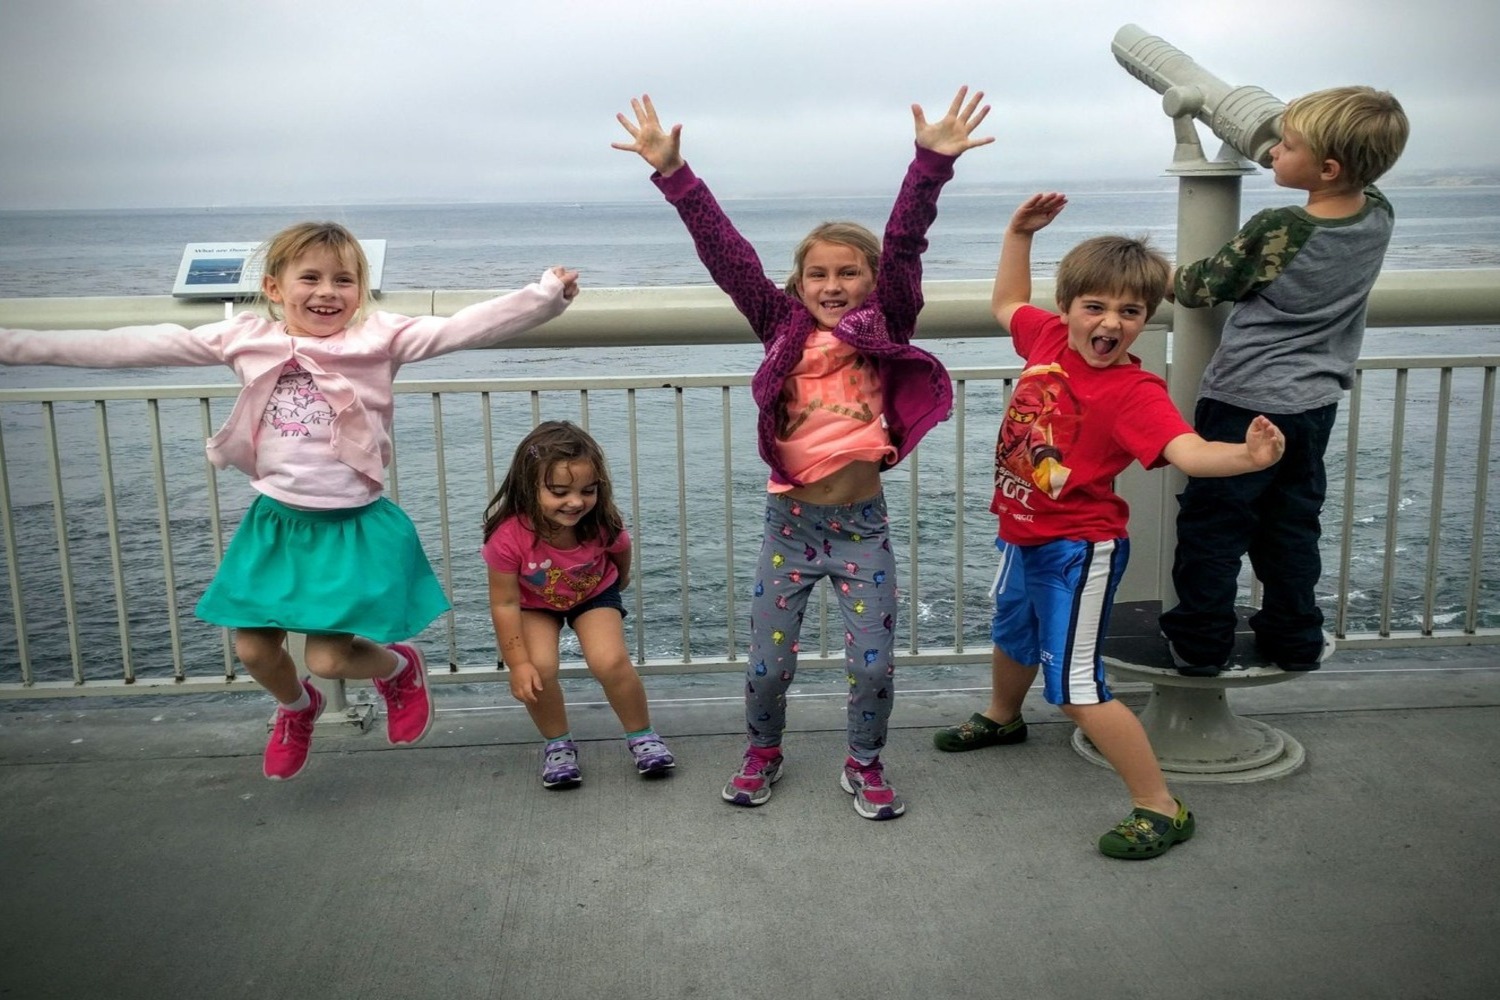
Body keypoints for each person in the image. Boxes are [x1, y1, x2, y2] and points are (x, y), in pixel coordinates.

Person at [0, 221, 578, 780]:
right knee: (254, 651)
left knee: (329, 659)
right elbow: (132, 345)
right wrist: (13, 345)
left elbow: (467, 326)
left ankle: (400, 668)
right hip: (276, 524)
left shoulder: (378, 340)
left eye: (344, 280)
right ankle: (296, 708)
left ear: (361, 292)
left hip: (349, 526)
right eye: (310, 278)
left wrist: (545, 296)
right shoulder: (247, 338)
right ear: (275, 288)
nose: (327, 292)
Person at [613, 87, 991, 820]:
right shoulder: (779, 325)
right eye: (818, 274)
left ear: (874, 283)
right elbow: (728, 256)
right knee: (767, 667)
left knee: (874, 665)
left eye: (848, 272)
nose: (832, 285)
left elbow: (908, 240)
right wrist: (675, 175)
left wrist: (931, 164)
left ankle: (865, 762)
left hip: (861, 528)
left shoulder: (889, 322)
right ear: (798, 284)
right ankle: (762, 751)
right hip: (788, 529)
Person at [932, 193, 1286, 858]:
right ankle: (1003, 717)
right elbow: (1007, 300)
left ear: (1145, 320)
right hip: (1022, 531)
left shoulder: (1134, 393)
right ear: (1067, 310)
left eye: (1130, 311)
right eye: (1095, 306)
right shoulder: (1043, 338)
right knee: (1012, 628)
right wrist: (1017, 233)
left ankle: (1161, 804)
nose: (1111, 322)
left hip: (1078, 549)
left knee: (1076, 687)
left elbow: (1187, 452)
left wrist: (1246, 455)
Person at [1158, 86, 1410, 675]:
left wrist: (1150, 273)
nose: (1271, 151)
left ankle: (1200, 644)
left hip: (1244, 399)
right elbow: (1361, 178)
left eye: (1287, 144)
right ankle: (1294, 637)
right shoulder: (1378, 213)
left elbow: (1197, 287)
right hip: (1314, 402)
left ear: (1326, 168)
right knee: (1291, 525)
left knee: (1214, 527)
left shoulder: (1281, 229)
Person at [481, 420, 674, 787]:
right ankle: (558, 744)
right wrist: (517, 663)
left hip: (594, 591)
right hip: (532, 603)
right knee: (539, 667)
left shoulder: (600, 521)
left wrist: (622, 579)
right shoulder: (507, 538)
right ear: (528, 488)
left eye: (588, 490)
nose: (575, 502)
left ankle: (642, 735)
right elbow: (504, 603)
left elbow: (621, 549)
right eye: (559, 491)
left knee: (610, 660)